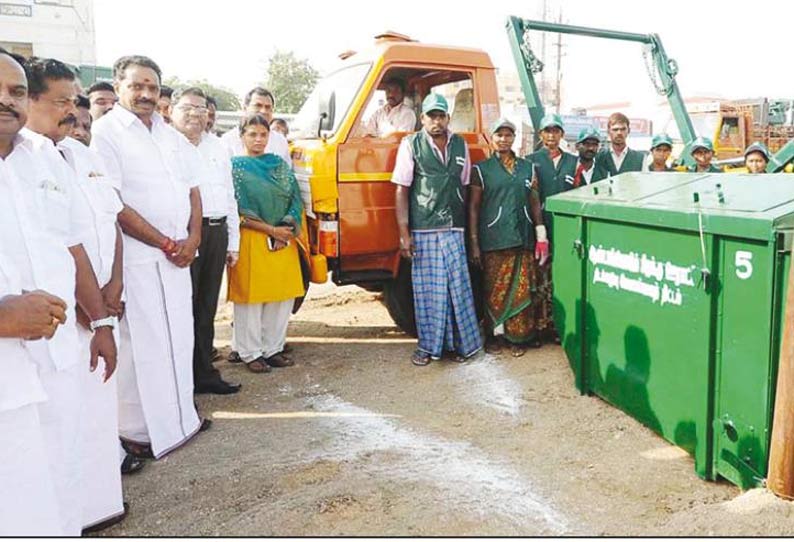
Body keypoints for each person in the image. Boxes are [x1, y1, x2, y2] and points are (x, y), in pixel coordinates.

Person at [23, 55, 128, 533]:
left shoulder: (70, 156)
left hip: (85, 317)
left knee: (82, 427)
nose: (73, 111)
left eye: (74, 100)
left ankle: (93, 510)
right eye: (61, 101)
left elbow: (93, 234)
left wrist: (106, 307)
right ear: (31, 101)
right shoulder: (26, 158)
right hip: (36, 330)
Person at [91, 55, 208, 460]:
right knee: (142, 345)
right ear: (119, 86)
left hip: (177, 259)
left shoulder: (168, 132)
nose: (145, 94)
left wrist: (192, 237)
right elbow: (114, 203)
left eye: (152, 88)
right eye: (137, 86)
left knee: (178, 337)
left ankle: (180, 418)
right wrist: (164, 241)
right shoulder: (106, 134)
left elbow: (193, 189)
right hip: (139, 259)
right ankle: (137, 431)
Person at [392, 93, 482, 366]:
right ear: (423, 119)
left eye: (441, 115)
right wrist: (404, 233)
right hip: (424, 227)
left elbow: (465, 186)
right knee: (428, 291)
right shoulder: (411, 144)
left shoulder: (460, 145)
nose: (437, 121)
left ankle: (461, 346)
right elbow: (401, 189)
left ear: (447, 118)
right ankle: (428, 347)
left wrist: (469, 232)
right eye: (432, 116)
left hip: (454, 228)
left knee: (458, 287)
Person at [170, 86, 241, 394]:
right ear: (172, 110)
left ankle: (204, 373)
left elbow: (229, 196)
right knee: (182, 307)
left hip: (217, 231)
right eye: (188, 108)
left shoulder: (217, 146)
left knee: (207, 306)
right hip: (183, 233)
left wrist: (233, 241)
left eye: (201, 109)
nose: (195, 115)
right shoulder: (167, 145)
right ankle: (181, 380)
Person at [228, 113, 303, 372]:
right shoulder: (235, 168)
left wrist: (286, 227)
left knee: (281, 296)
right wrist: (270, 229)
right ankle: (250, 352)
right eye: (252, 134)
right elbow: (236, 209)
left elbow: (295, 198)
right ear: (242, 137)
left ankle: (273, 348)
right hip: (252, 237)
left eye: (263, 134)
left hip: (284, 237)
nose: (258, 139)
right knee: (251, 297)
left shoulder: (278, 165)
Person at [469, 118, 544, 356]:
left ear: (514, 138)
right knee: (494, 291)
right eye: (499, 135)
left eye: (508, 135)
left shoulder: (527, 167)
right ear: (492, 138)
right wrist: (474, 243)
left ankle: (518, 338)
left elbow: (534, 203)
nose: (504, 139)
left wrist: (541, 235)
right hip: (494, 238)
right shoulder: (481, 170)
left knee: (522, 291)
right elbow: (473, 208)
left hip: (522, 237)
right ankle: (494, 337)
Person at [526, 113, 575, 343]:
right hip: (540, 228)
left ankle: (557, 326)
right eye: (547, 131)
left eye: (555, 131)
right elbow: (531, 195)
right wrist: (539, 231)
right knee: (538, 276)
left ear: (562, 134)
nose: (551, 136)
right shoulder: (530, 161)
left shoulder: (572, 162)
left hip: (564, 229)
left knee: (560, 277)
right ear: (540, 134)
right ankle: (538, 327)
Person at [220, 87, 290, 163]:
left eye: (268, 107)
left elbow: (286, 170)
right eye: (258, 106)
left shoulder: (280, 140)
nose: (263, 111)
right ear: (245, 108)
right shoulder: (228, 140)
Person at [593, 112, 646, 181]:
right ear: (608, 131)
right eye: (615, 129)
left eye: (623, 129)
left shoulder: (640, 159)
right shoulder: (598, 158)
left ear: (628, 131)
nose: (619, 133)